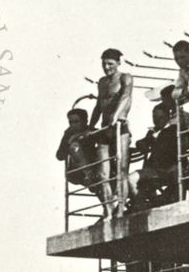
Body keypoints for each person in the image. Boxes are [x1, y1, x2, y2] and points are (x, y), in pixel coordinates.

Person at [89, 49, 133, 218]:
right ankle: (108, 210)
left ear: (118, 63)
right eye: (104, 64)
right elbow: (99, 106)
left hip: (119, 129)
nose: (107, 67)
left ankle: (121, 209)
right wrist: (91, 126)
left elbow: (126, 97)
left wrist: (116, 115)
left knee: (122, 170)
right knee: (103, 174)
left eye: (110, 64)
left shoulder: (125, 77)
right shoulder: (101, 82)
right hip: (104, 130)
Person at [130, 104, 181, 210]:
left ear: (167, 117)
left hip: (168, 169)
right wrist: (150, 139)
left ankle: (150, 202)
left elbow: (171, 148)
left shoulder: (173, 130)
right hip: (152, 170)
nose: (157, 121)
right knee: (130, 179)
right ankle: (142, 204)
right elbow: (140, 144)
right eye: (155, 118)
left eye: (160, 118)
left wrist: (158, 137)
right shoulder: (152, 132)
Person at [56, 108, 102, 200]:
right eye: (71, 122)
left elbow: (105, 140)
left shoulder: (91, 130)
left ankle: (109, 209)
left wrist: (85, 135)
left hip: (94, 167)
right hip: (78, 172)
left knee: (100, 187)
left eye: (77, 122)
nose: (73, 125)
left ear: (85, 121)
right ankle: (90, 176)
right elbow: (59, 156)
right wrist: (69, 141)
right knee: (74, 146)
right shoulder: (68, 133)